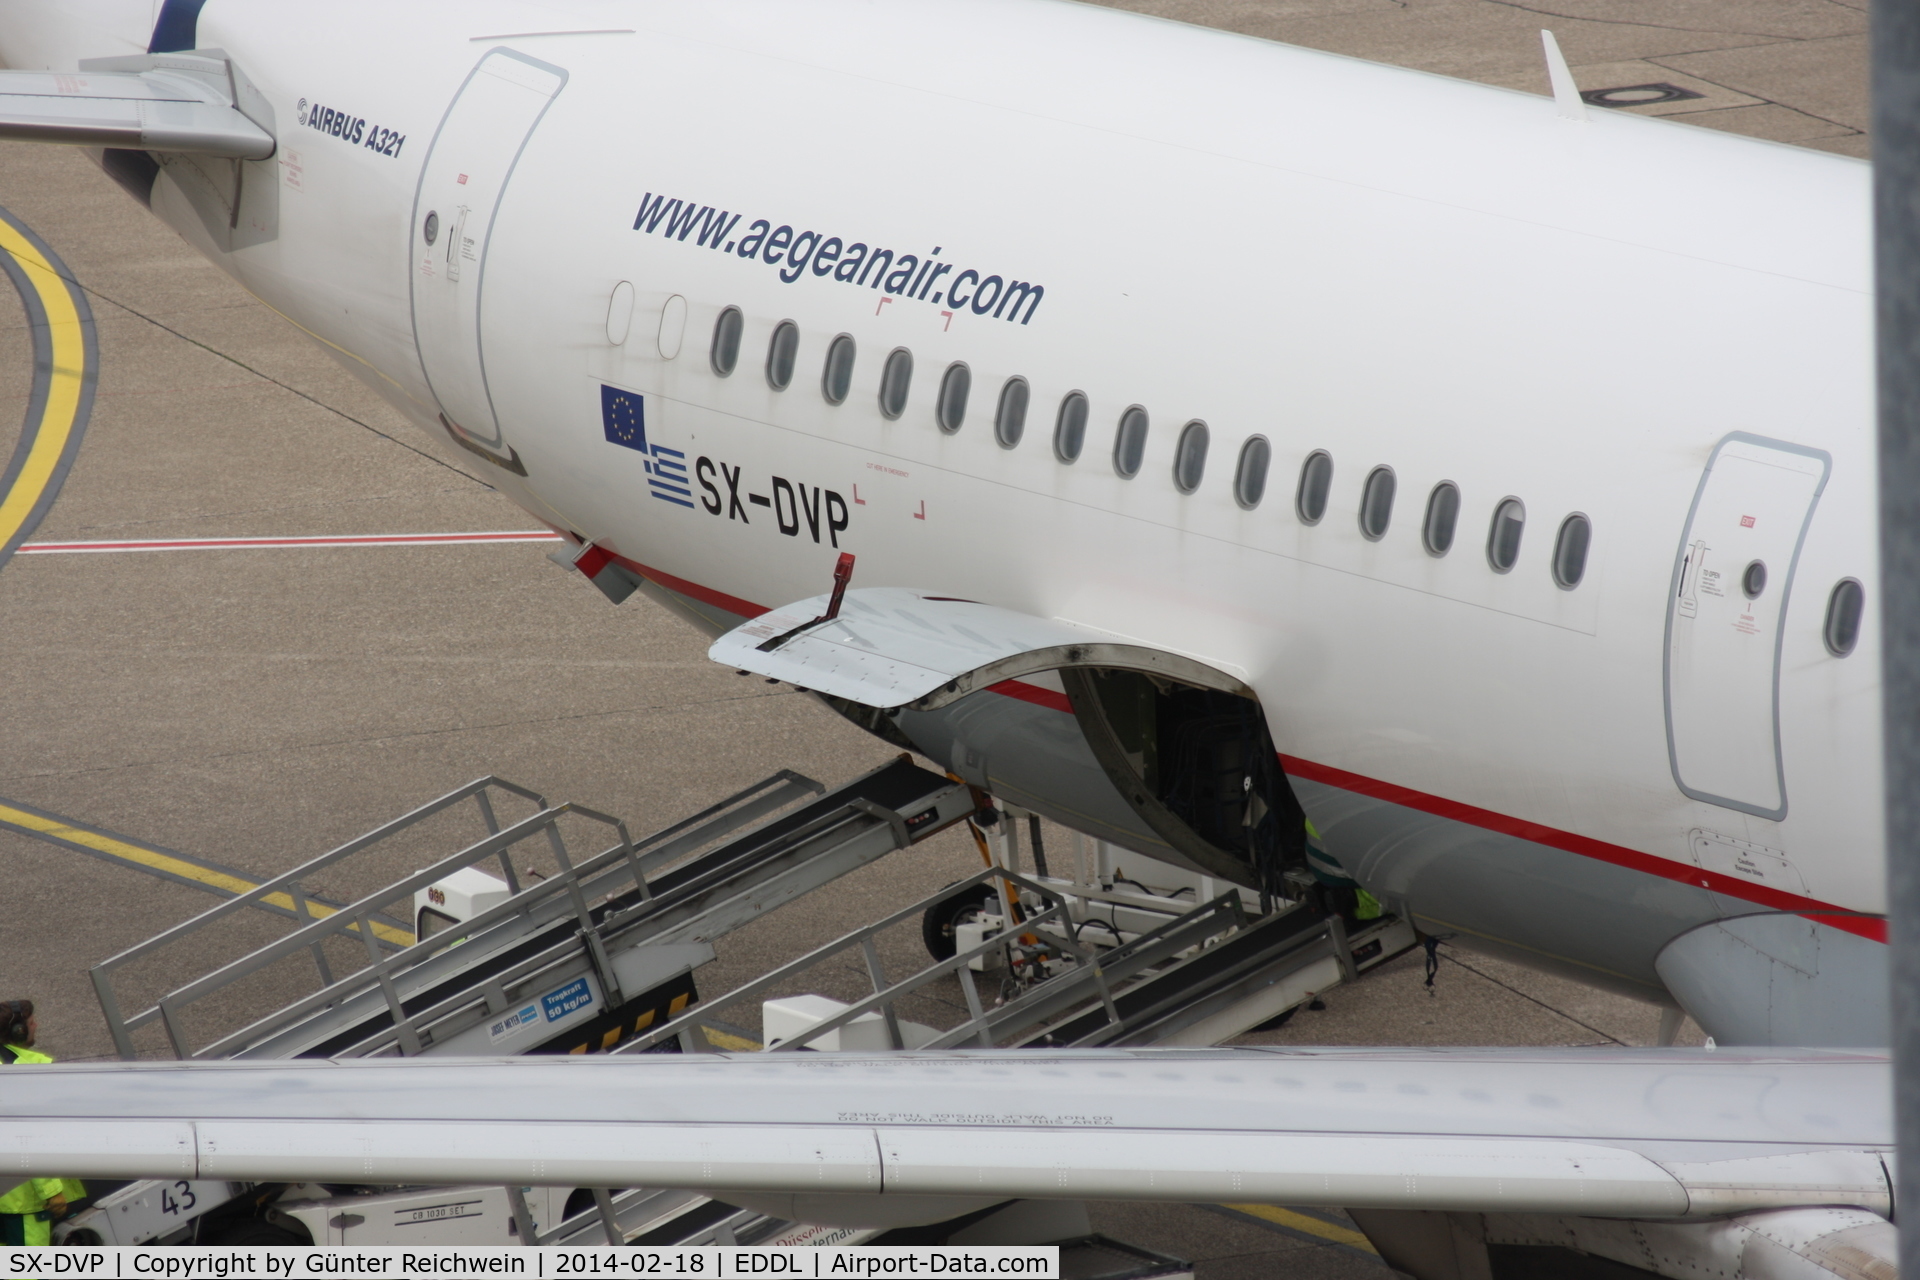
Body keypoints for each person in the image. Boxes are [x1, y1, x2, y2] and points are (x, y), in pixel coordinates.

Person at [0, 1001, 85, 1245]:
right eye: (31, 1022)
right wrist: (51, 1191)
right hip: (23, 1201)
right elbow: (26, 1137)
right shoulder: (23, 1073)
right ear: (18, 1031)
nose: (36, 1025)